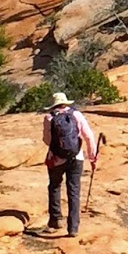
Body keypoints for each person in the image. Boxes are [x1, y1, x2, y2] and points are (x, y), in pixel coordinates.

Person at [42, 92, 98, 238]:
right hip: (76, 157)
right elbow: (89, 136)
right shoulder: (77, 115)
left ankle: (55, 220)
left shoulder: (49, 117)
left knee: (54, 186)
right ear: (66, 103)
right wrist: (92, 157)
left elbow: (47, 140)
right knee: (73, 191)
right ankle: (73, 228)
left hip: (56, 158)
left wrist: (59, 147)